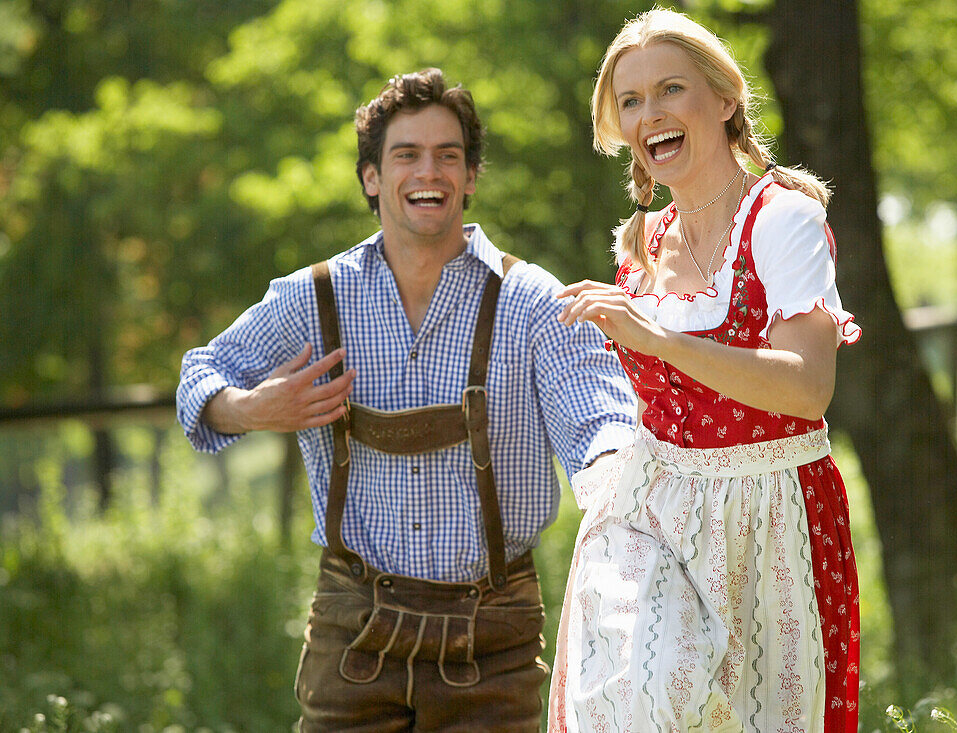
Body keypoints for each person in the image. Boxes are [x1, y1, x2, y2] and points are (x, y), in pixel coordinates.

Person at [176, 68, 636, 732]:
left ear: (471, 177)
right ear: (371, 177)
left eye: (449, 156)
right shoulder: (314, 298)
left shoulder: (530, 301)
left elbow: (601, 418)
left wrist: (619, 487)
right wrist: (250, 409)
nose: (431, 171)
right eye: (407, 155)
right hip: (350, 632)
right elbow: (199, 375)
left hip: (493, 635)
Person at [547, 9, 862, 732]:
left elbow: (809, 387)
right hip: (651, 507)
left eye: (670, 90)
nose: (649, 113)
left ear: (724, 99)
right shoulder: (642, 246)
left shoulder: (781, 221)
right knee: (632, 700)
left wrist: (659, 338)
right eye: (631, 101)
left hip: (767, 513)